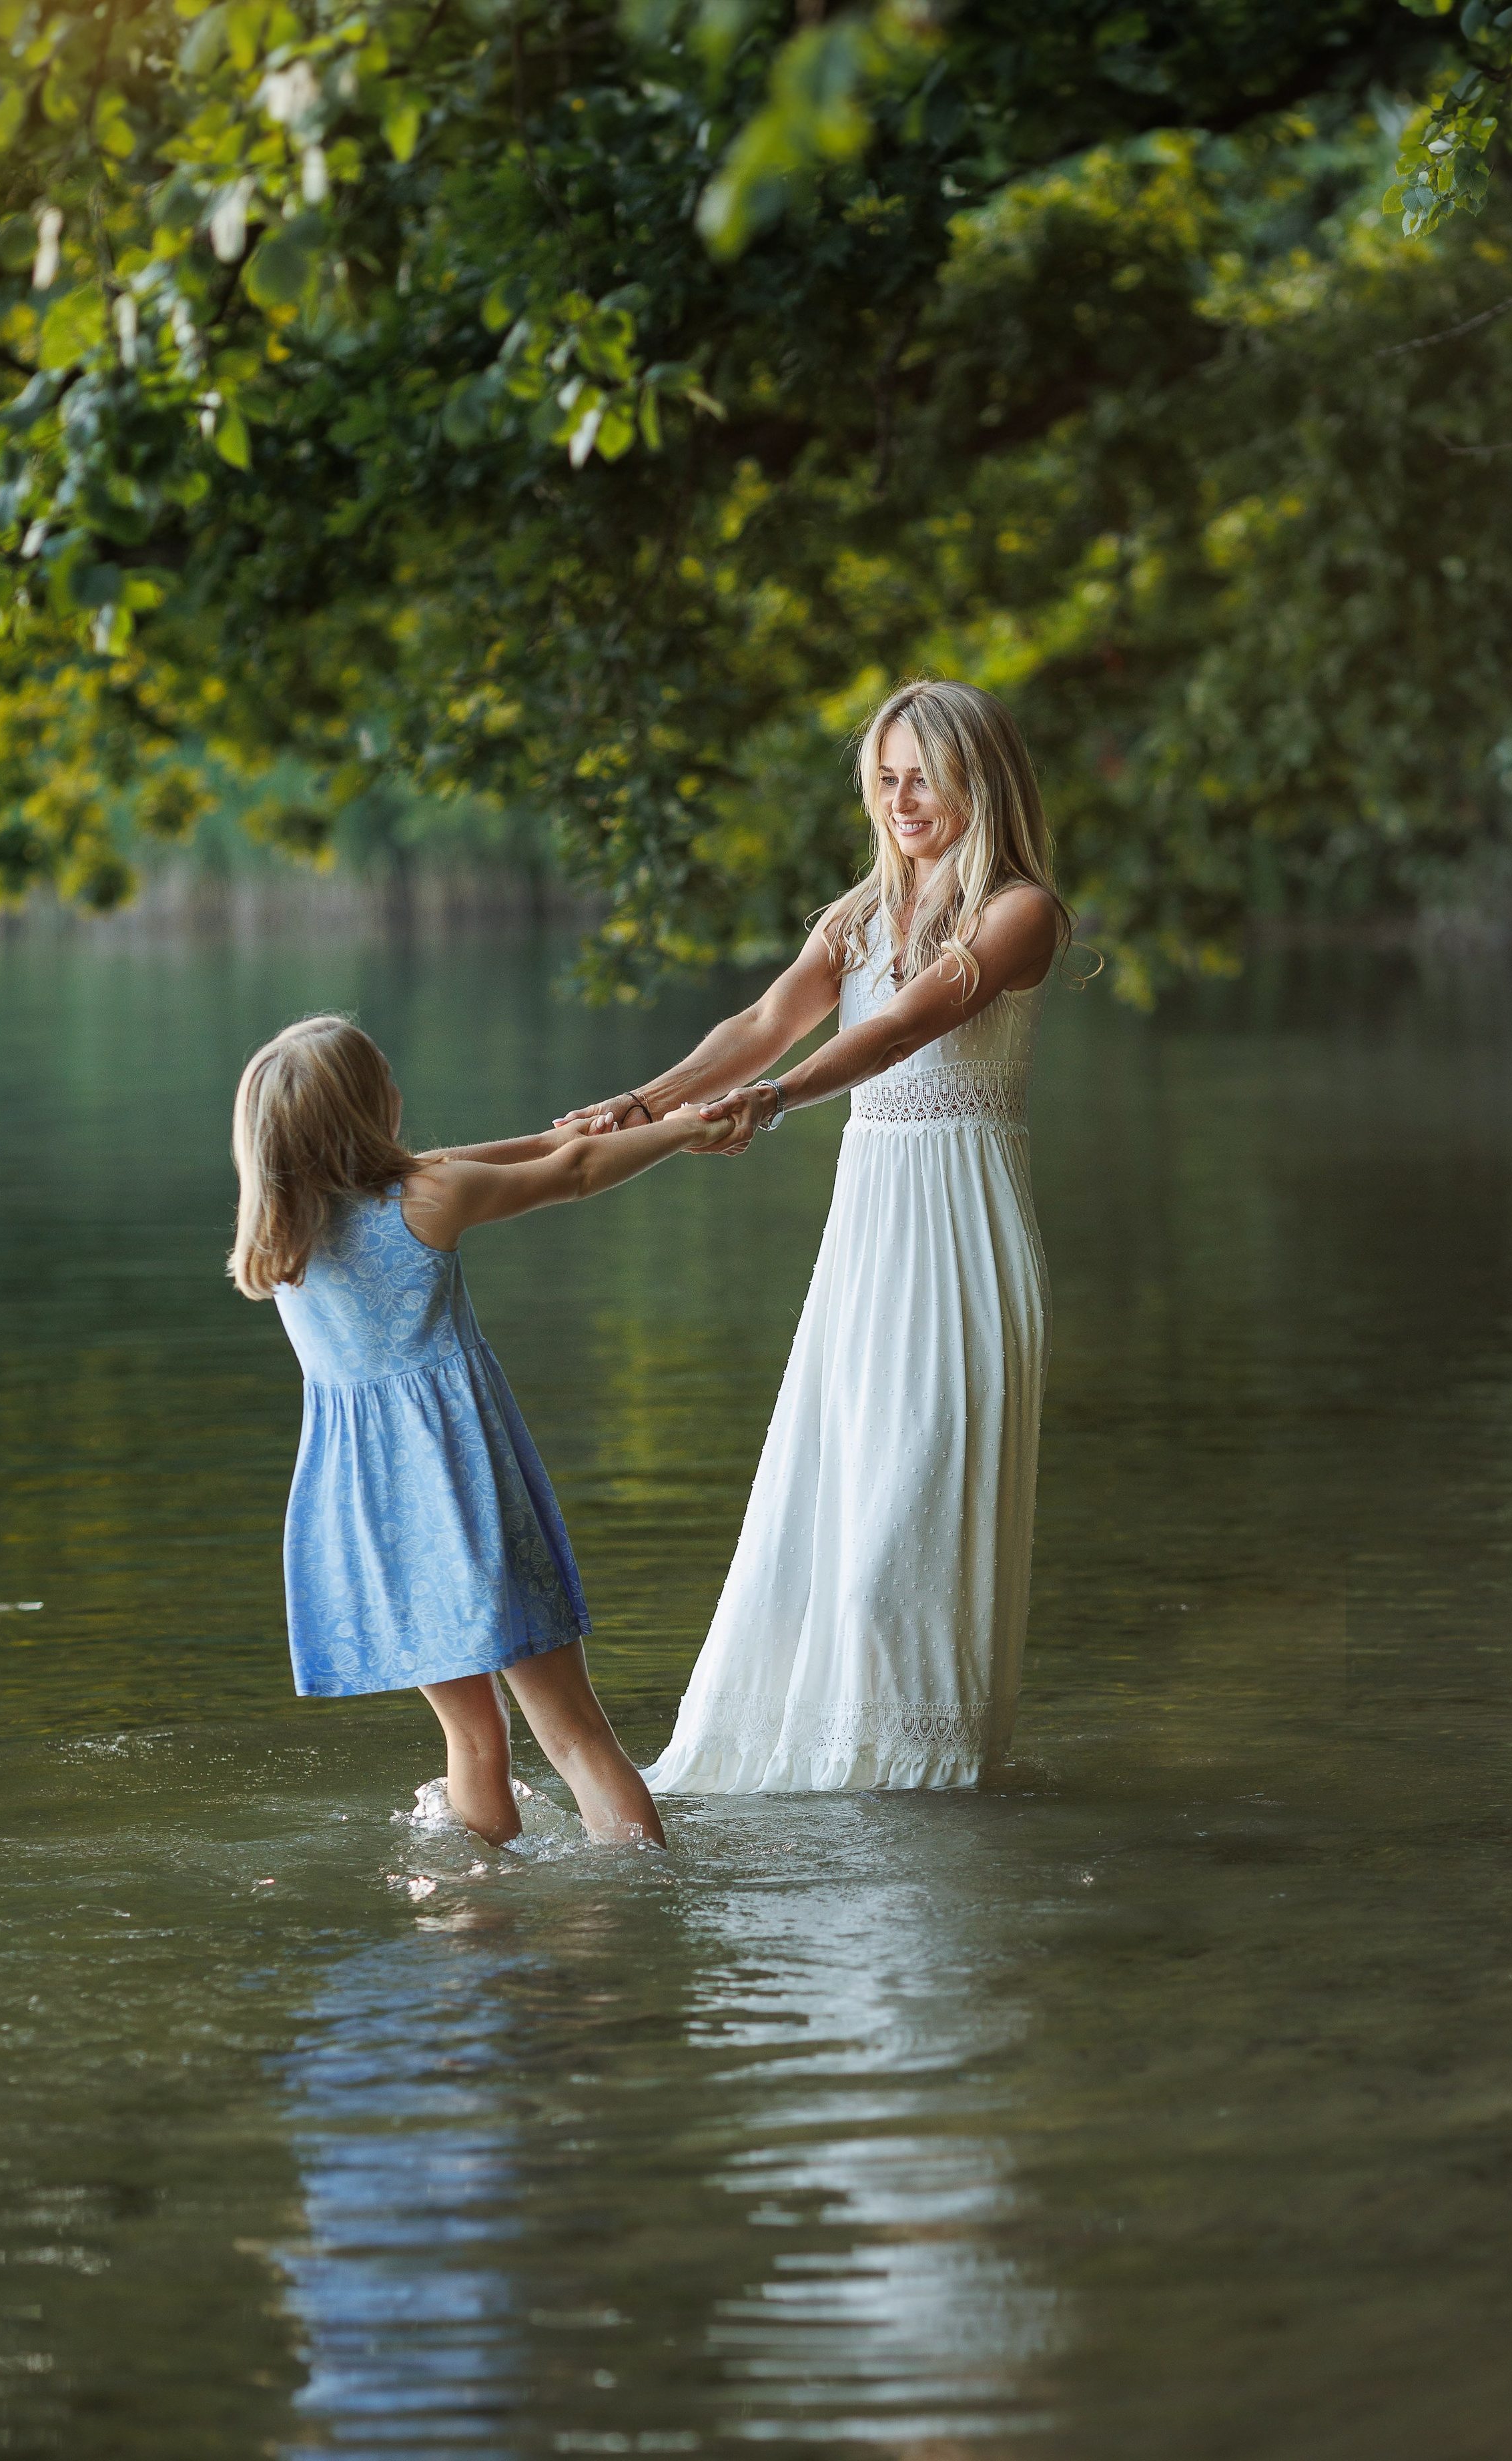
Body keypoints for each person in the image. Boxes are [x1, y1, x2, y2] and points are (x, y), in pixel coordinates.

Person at [558, 679, 1075, 1792]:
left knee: (897, 1555)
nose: (901, 799)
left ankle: (920, 1784)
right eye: (885, 779)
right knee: (828, 1524)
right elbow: (760, 1023)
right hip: (867, 1244)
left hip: (963, 1243)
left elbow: (906, 1026)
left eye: (923, 776)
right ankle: (831, 1778)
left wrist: (779, 1100)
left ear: (979, 782)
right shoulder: (854, 915)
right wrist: (645, 1102)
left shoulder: (1019, 911)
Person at [228, 1014, 730, 1847]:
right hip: (462, 1492)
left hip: (372, 1521)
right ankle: (643, 1914)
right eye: (383, 1078)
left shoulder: (286, 1239)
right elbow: (568, 1176)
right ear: (364, 1109)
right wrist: (686, 1129)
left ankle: (480, 1937)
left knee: (473, 1736)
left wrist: (562, 1130)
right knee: (573, 1733)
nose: (397, 1089)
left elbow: (540, 1150)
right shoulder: (425, 1201)